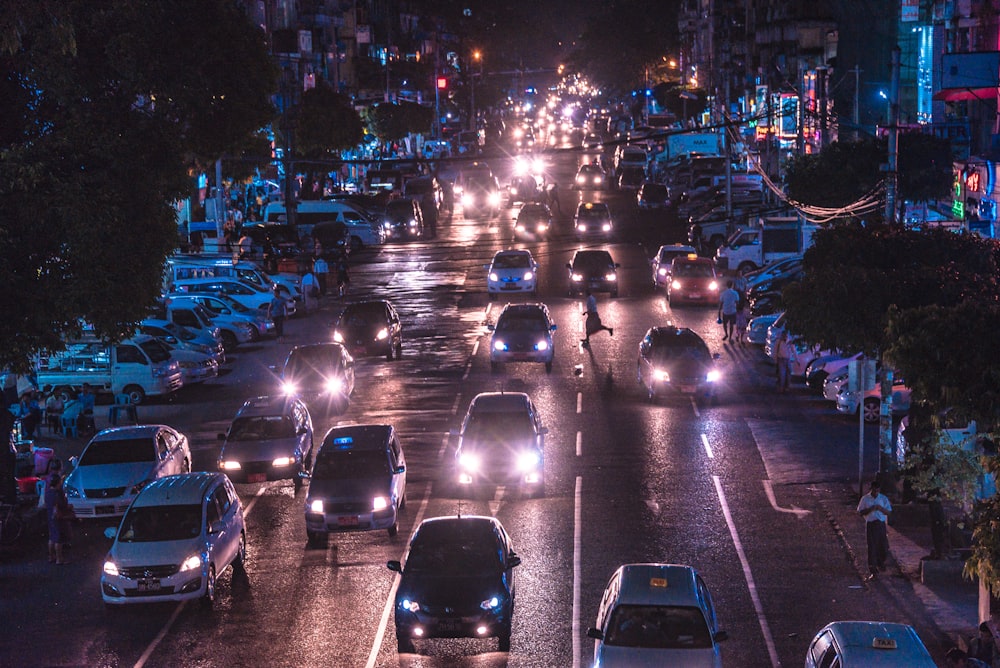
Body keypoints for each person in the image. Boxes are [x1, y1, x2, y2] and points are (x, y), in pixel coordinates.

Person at [857, 479, 892, 579]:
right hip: (871, 524)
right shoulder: (865, 499)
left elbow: (889, 512)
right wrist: (871, 508)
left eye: (877, 490)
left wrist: (880, 508)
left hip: (880, 524)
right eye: (874, 490)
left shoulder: (883, 498)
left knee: (883, 546)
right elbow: (860, 512)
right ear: (871, 489)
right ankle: (873, 569)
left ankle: (881, 562)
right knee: (872, 547)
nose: (876, 492)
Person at [45, 472, 74, 564]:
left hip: (50, 517)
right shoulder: (56, 495)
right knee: (59, 539)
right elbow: (59, 507)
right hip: (58, 518)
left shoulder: (48, 493)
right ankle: (59, 558)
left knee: (52, 538)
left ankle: (51, 556)